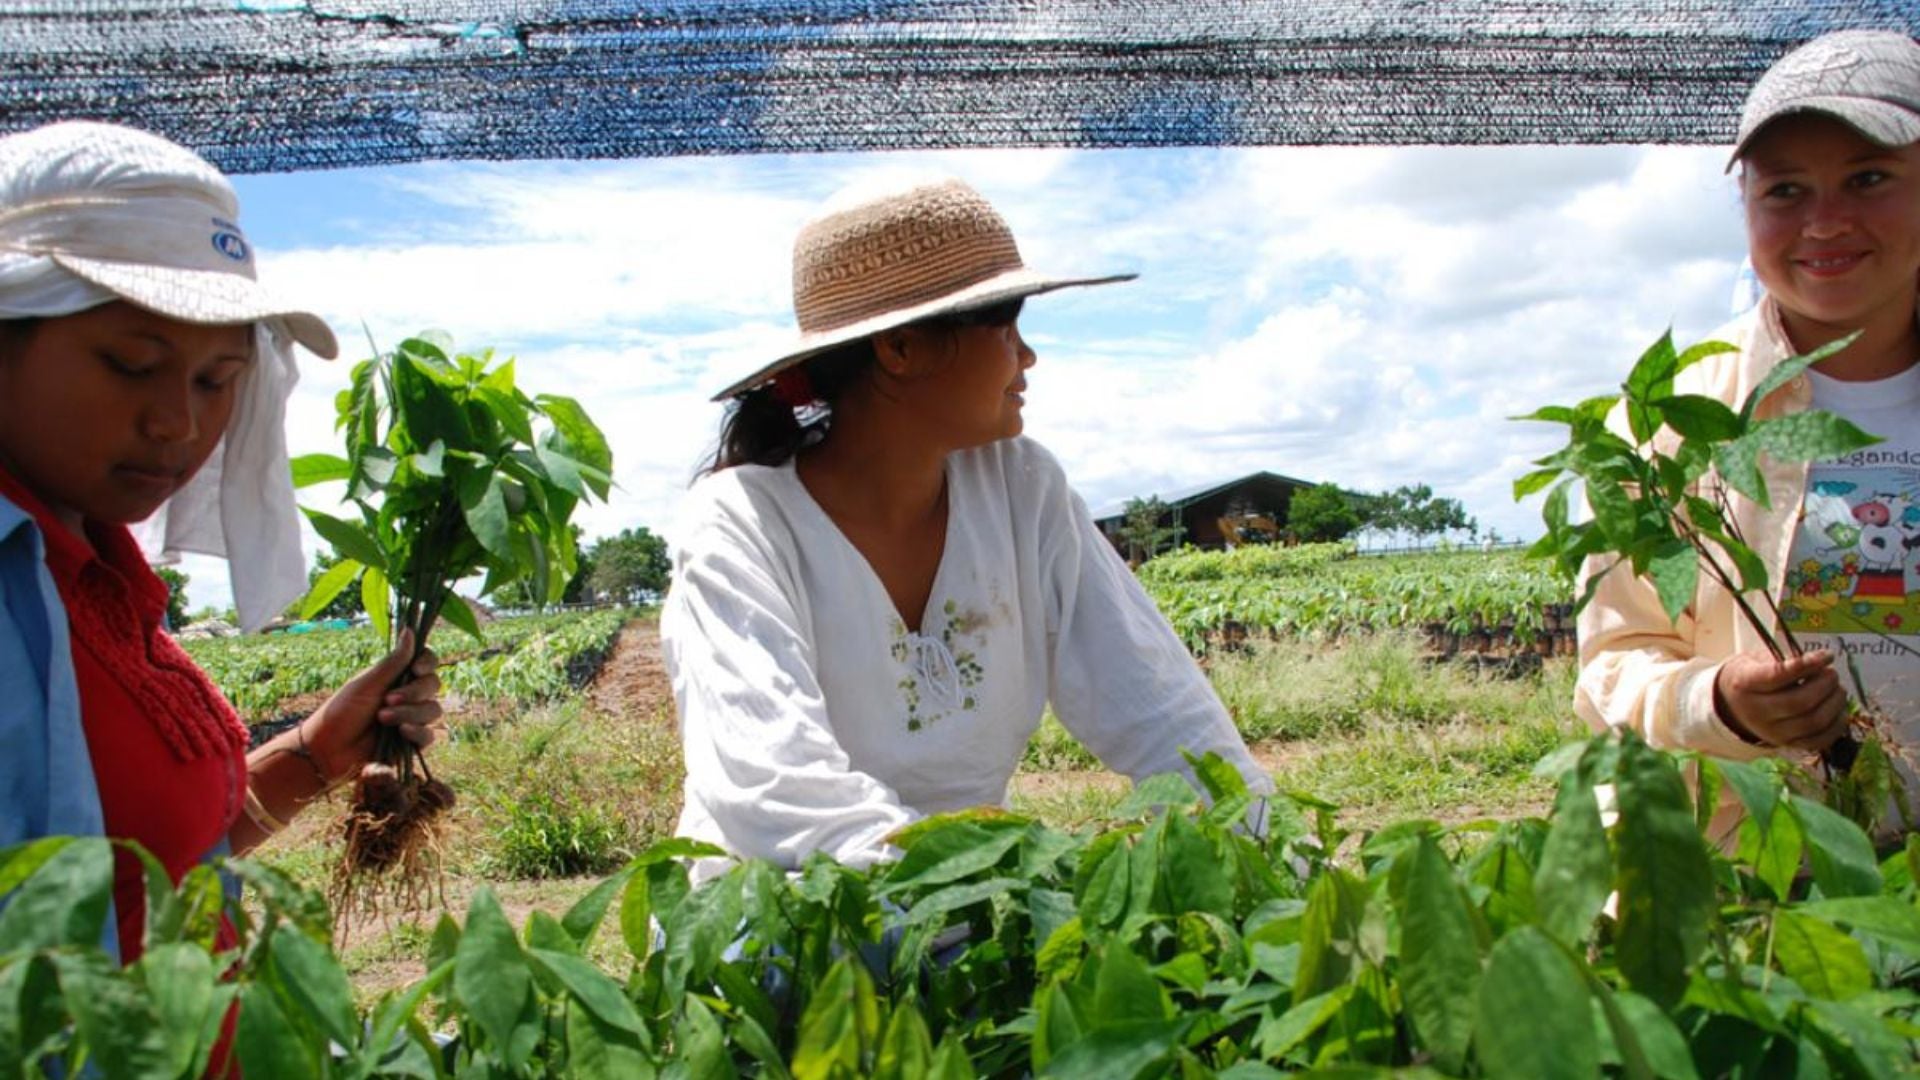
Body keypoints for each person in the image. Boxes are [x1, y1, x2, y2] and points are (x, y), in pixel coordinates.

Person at [662, 177, 1274, 879]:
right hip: (785, 912)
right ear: (899, 350)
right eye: (1004, 325)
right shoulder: (741, 522)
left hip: (968, 899)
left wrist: (1264, 852)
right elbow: (773, 788)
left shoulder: (1021, 488)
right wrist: (975, 895)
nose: (1027, 356)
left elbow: (1165, 711)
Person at [0, 121, 444, 965]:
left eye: (218, 381)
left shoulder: (93, 573)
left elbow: (162, 864)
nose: (180, 424)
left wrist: (314, 753)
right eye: (131, 363)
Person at [1576, 30, 1920, 834]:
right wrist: (1718, 699)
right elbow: (1613, 665)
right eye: (1785, 192)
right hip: (1758, 879)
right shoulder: (1667, 422)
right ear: (1745, 208)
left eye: (1869, 178)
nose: (1825, 223)